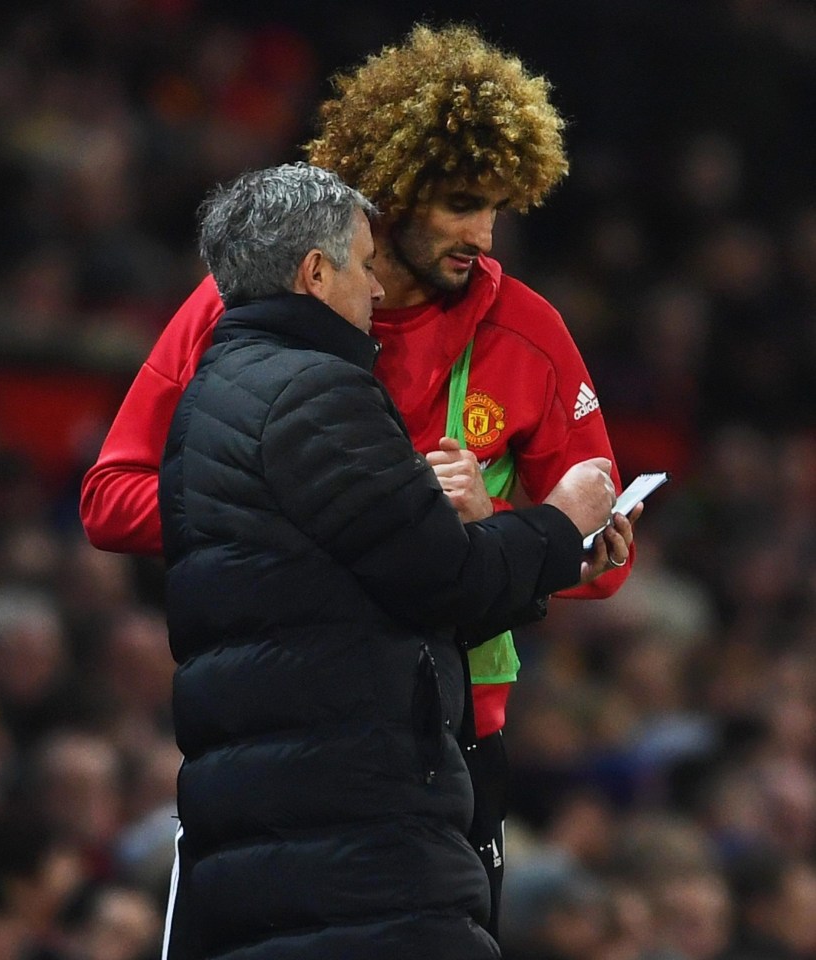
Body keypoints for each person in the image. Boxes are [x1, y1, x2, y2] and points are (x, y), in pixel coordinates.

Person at [80, 23, 637, 940]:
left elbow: (603, 554)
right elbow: (112, 497)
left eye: (499, 206)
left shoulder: (529, 330)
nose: (484, 235)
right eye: (462, 202)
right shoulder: (244, 309)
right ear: (390, 194)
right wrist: (330, 523)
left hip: (461, 743)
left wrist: (489, 517)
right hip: (296, 730)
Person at [159, 159, 619, 959]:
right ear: (312, 271)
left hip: (263, 809)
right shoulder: (315, 394)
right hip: (351, 817)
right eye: (362, 266)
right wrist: (555, 524)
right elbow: (443, 576)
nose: (376, 292)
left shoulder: (212, 393)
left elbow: (353, 576)